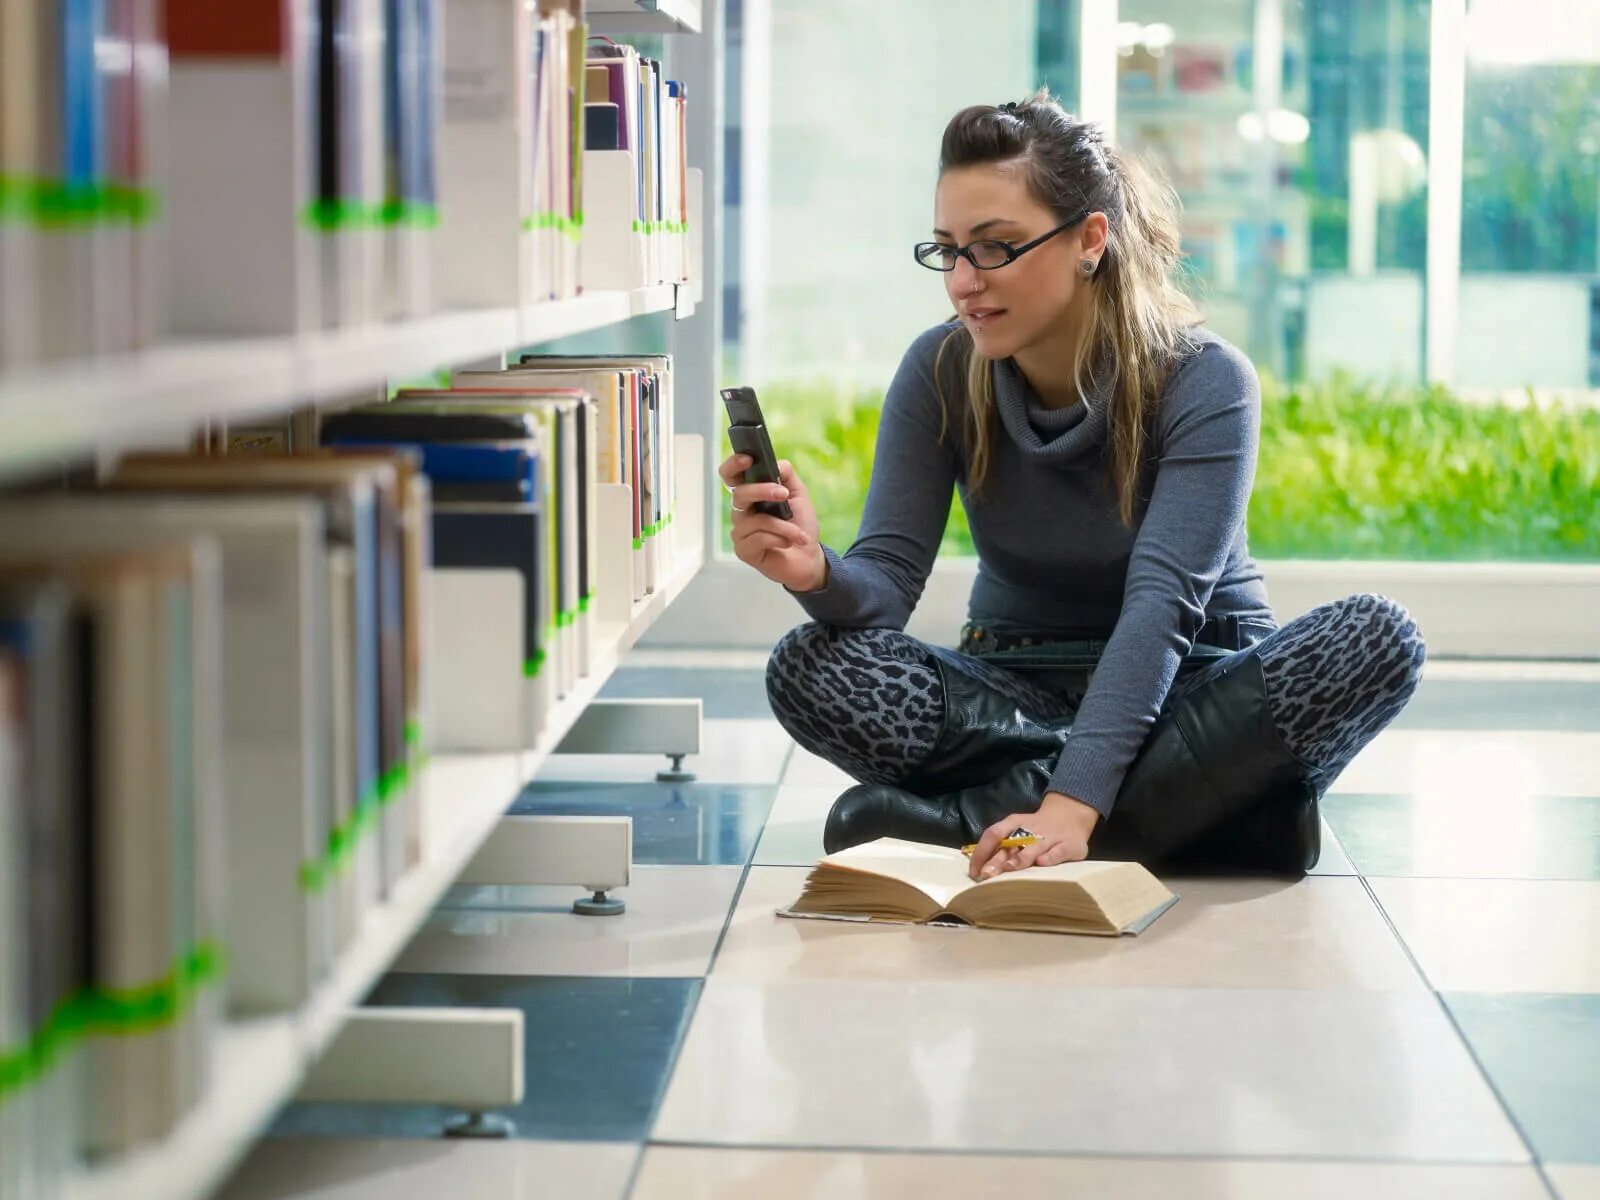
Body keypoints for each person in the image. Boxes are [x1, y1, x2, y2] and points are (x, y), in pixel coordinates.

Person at [719, 89, 1426, 882]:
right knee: (809, 667)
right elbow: (884, 585)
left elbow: (1162, 607)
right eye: (947, 249)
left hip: (1195, 684)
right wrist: (815, 570)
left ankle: (979, 817)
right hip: (1014, 692)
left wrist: (1071, 804)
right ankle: (1220, 821)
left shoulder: (1206, 380)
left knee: (1378, 637)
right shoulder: (940, 368)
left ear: (1091, 239)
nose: (962, 280)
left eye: (994, 247)